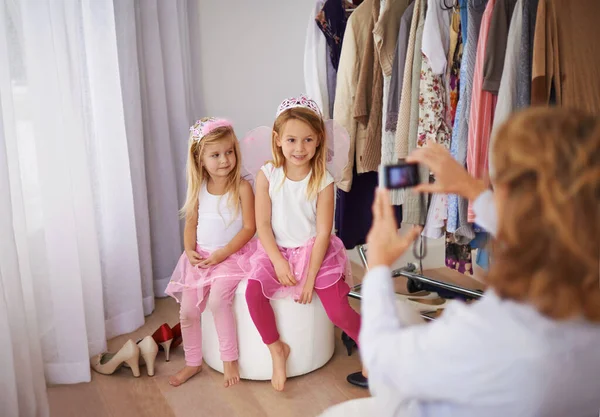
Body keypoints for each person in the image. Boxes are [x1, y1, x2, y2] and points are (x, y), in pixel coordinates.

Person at [320, 108, 600, 416]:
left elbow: (381, 361)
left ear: (508, 194)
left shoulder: (488, 333)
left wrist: (378, 268)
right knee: (400, 310)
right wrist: (474, 191)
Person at [244, 95, 361, 392]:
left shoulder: (323, 179)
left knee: (337, 311)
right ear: (278, 139)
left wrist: (309, 278)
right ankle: (276, 349)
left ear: (319, 140)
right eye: (292, 140)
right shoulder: (267, 175)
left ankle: (372, 343)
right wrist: (279, 261)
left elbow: (323, 233)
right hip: (276, 250)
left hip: (315, 253)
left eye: (308, 140)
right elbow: (263, 225)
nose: (299, 148)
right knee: (253, 294)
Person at [165, 118, 256, 388]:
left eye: (229, 152)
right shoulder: (198, 189)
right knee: (188, 311)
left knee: (217, 302)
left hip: (232, 257)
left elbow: (250, 228)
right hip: (202, 258)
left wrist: (223, 253)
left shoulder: (242, 187)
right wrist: (189, 249)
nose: (224, 160)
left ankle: (229, 359)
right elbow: (190, 224)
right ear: (200, 159)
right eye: (215, 155)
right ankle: (193, 362)